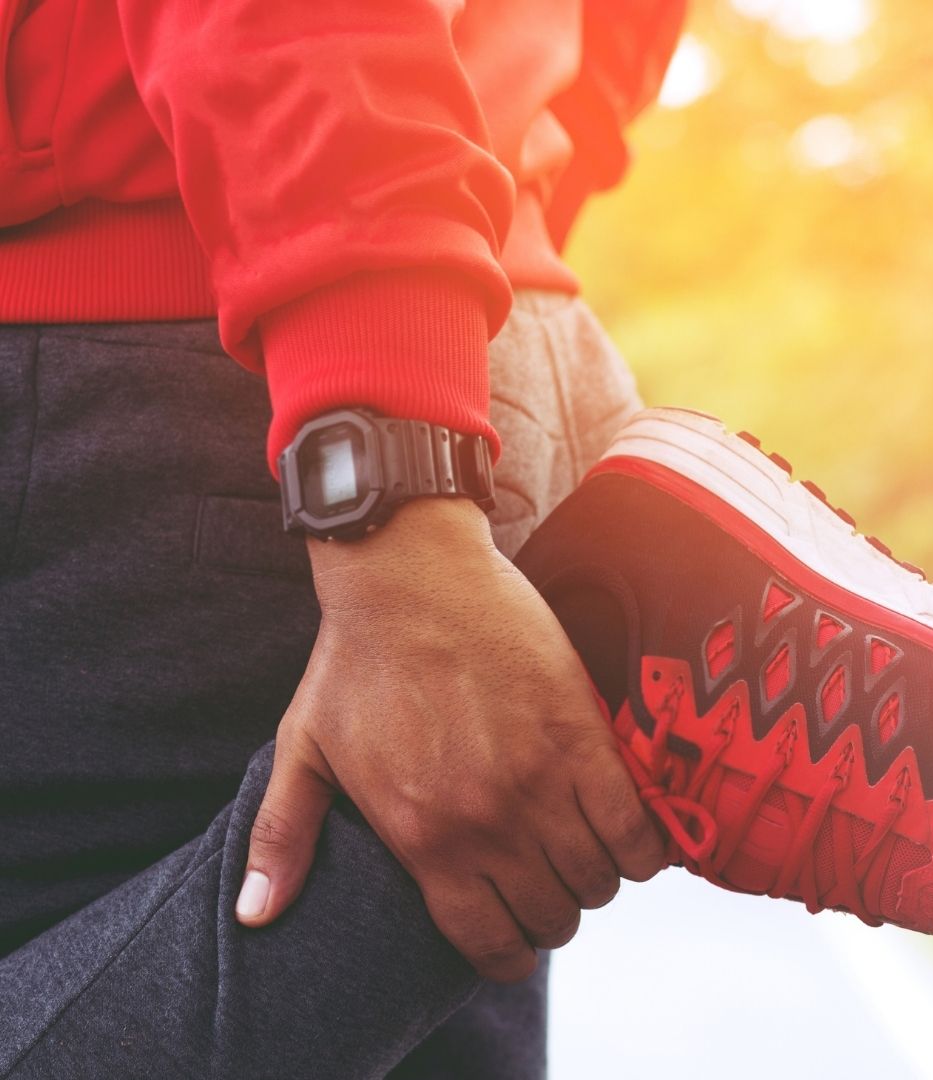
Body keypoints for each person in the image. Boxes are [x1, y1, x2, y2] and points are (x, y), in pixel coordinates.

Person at [0, 1, 685, 1075]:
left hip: (187, 345)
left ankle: (669, 596)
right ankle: (652, 608)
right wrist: (500, 207)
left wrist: (388, 454)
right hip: (415, 292)